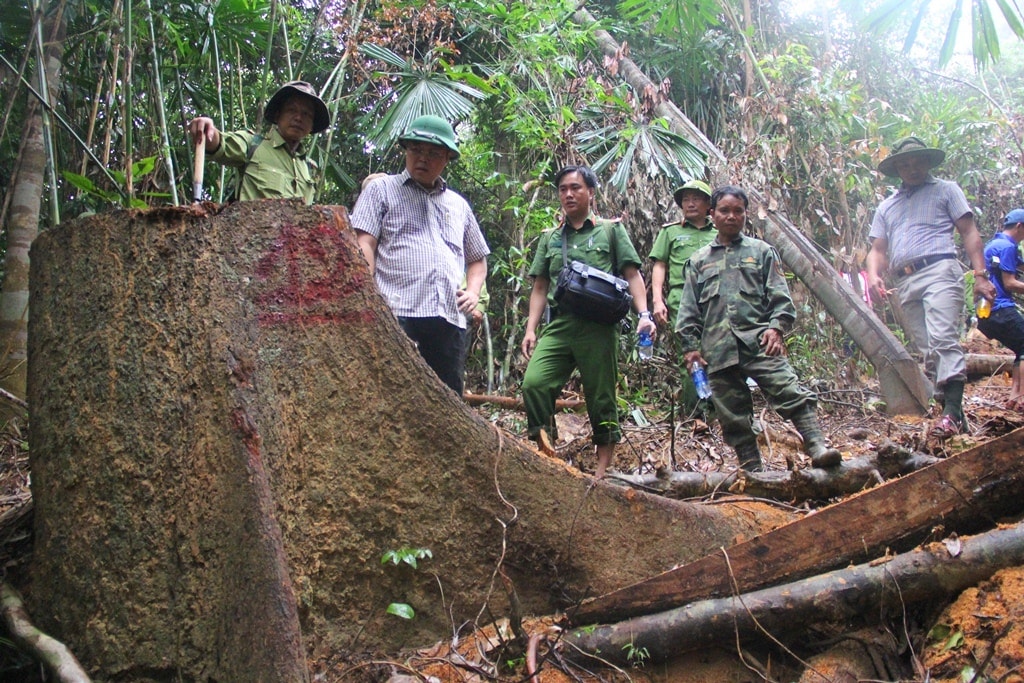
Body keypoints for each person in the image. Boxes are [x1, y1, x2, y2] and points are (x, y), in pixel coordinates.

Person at [676, 185, 841, 471]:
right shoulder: (698, 261)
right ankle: (753, 470)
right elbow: (689, 310)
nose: (731, 216)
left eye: (738, 211)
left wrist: (776, 329)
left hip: (759, 341)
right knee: (732, 413)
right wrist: (690, 348)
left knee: (789, 390)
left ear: (745, 215)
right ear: (712, 214)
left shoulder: (762, 252)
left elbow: (781, 299)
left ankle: (817, 446)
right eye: (724, 211)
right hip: (717, 349)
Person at [520, 165, 657, 479]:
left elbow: (633, 275)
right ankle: (546, 454)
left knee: (601, 396)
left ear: (591, 193)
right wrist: (531, 328)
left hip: (598, 327)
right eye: (563, 189)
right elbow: (540, 286)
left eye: (576, 188)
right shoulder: (550, 238)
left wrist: (644, 315)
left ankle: (601, 471)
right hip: (560, 326)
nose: (568, 194)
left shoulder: (610, 230)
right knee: (535, 384)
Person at [865, 136, 996, 437]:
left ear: (927, 163)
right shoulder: (887, 206)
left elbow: (969, 231)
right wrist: (873, 275)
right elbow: (877, 249)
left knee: (942, 339)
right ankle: (953, 415)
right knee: (928, 349)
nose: (912, 168)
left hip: (939, 269)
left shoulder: (946, 190)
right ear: (897, 168)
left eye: (917, 162)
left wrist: (980, 274)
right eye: (905, 164)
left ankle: (950, 412)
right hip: (905, 280)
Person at [351, 115, 489, 396]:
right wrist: (367, 292)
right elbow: (364, 242)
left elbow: (477, 258)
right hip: (397, 311)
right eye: (416, 150)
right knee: (391, 392)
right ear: (406, 151)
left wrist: (473, 292)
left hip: (448, 316)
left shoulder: (458, 205)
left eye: (433, 153)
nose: (422, 159)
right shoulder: (381, 190)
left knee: (447, 396)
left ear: (447, 158)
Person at [189, 81, 329, 203]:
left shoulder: (310, 168)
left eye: (306, 114)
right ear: (277, 115)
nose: (298, 118)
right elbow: (220, 144)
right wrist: (207, 130)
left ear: (312, 125)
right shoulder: (252, 145)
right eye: (292, 110)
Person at [649, 179, 716, 418]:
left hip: (716, 300)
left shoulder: (719, 231)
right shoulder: (671, 232)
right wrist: (658, 300)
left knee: (719, 354)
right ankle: (697, 415)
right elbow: (659, 266)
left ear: (709, 203)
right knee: (689, 355)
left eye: (696, 198)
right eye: (686, 199)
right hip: (682, 299)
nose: (690, 203)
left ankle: (720, 412)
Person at [977, 209, 1024, 410]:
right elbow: (1010, 282)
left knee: (1020, 348)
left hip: (986, 313)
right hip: (1000, 309)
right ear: (1020, 226)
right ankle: (1021, 397)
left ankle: (1014, 397)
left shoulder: (994, 245)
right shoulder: (1007, 248)